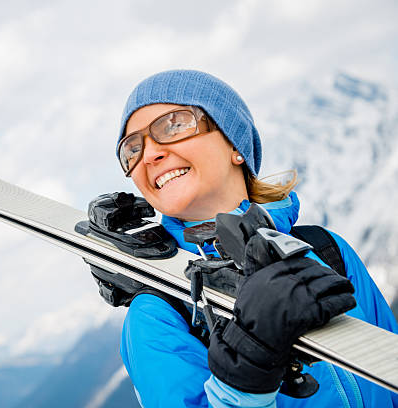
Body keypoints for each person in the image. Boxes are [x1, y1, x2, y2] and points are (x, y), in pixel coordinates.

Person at [113, 70, 398, 407]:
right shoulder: (160, 309)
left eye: (173, 125)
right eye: (132, 148)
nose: (148, 155)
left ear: (235, 143)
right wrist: (243, 382)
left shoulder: (327, 248)